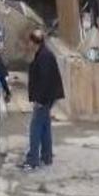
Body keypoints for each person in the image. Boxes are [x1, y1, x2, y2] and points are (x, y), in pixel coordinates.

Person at [21, 29, 65, 172]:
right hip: (48, 96)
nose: (28, 44)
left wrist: (39, 99)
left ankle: (32, 160)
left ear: (34, 42)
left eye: (30, 41)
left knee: (35, 127)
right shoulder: (43, 54)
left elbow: (45, 80)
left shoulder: (44, 56)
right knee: (45, 127)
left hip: (44, 98)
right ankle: (46, 156)